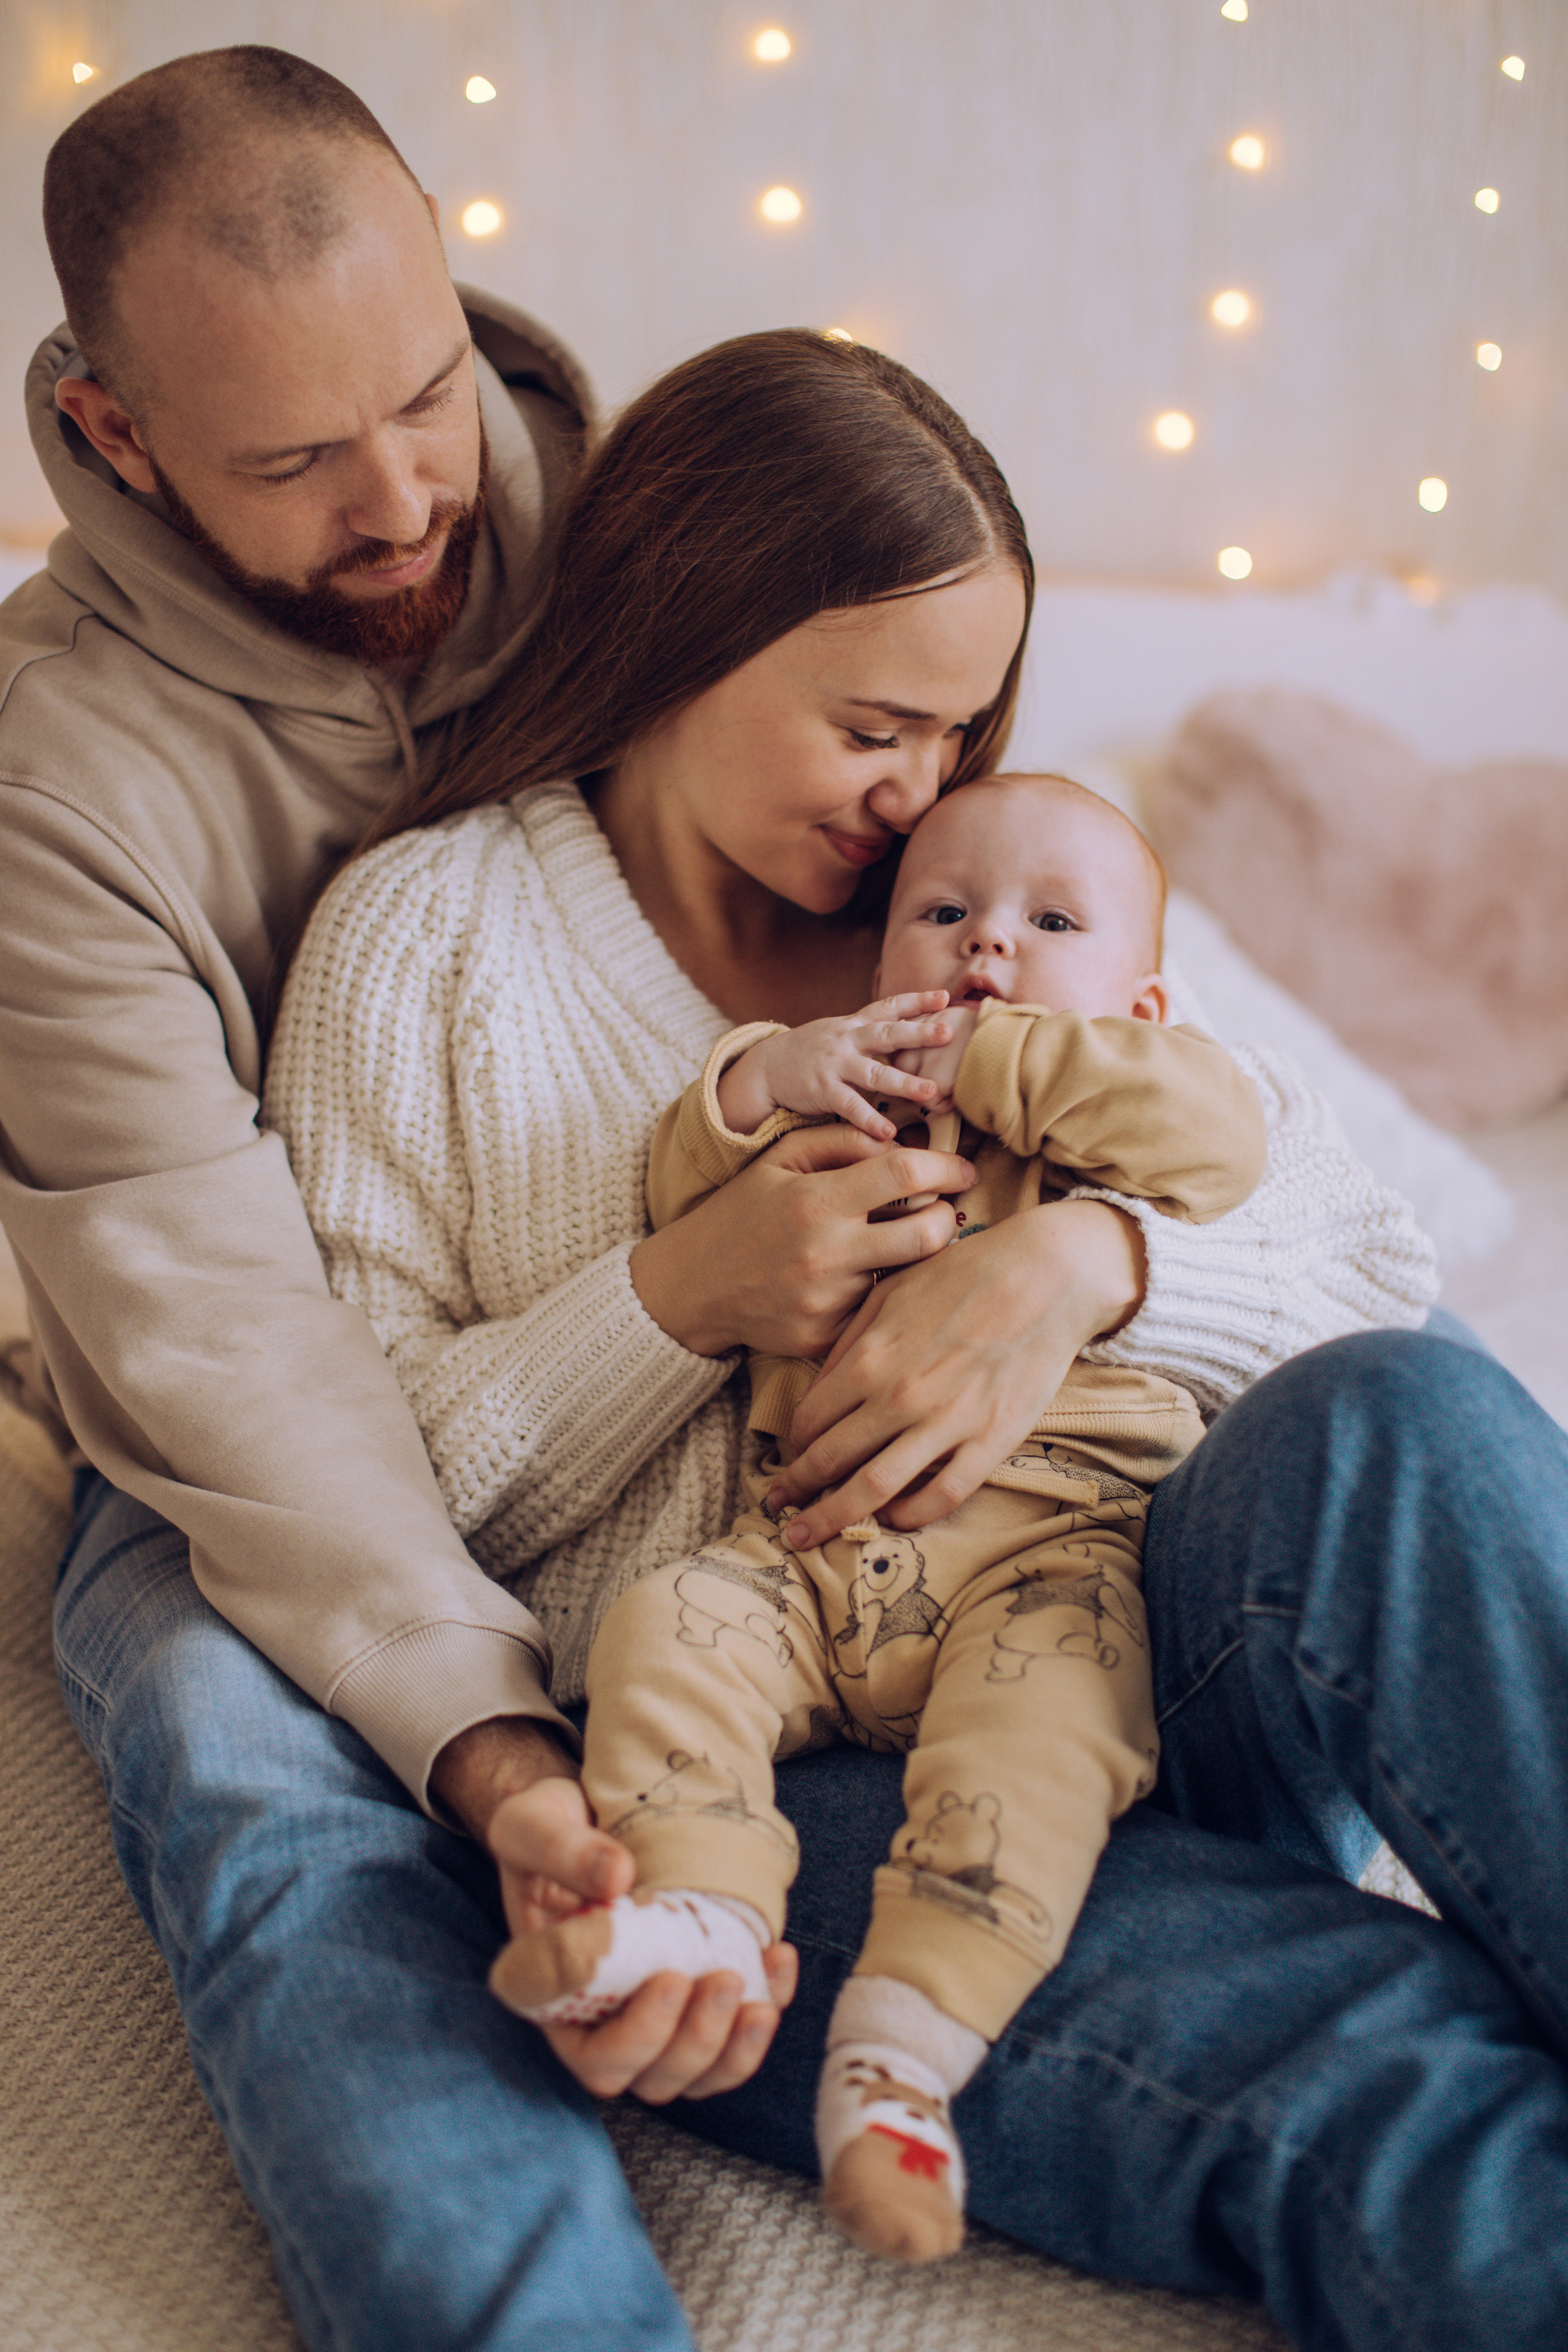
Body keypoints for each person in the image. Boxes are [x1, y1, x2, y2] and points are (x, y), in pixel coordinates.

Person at [266, 320, 1568, 2351]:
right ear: (686, 632)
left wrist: (1080, 1275)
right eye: (880, 724)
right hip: (784, 1761)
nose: (925, 802)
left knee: (1419, 1413)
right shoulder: (427, 948)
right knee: (1394, 2055)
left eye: (963, 732)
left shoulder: (1022, 891)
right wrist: (678, 1301)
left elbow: (1366, 1244)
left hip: (1126, 1622)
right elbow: (365, 1500)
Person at [493, 771, 1275, 2263]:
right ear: (874, 966)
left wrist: (1014, 1061)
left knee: (1032, 1769)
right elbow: (674, 1181)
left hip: (1043, 1567)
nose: (985, 948)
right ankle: (699, 1913)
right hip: (800, 1560)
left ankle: (903, 2059)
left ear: (1144, 1004)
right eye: (942, 914)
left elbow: (1220, 1145)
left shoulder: (1114, 1123)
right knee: (661, 1625)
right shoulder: (835, 1111)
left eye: (1048, 924)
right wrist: (775, 1078)